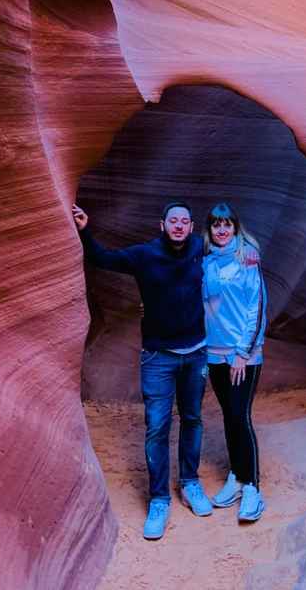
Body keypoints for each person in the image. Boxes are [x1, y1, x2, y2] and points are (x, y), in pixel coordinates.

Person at [72, 200, 213, 540]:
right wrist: (85, 229)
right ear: (161, 225)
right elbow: (102, 258)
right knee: (157, 427)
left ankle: (190, 483)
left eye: (184, 221)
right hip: (158, 357)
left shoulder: (199, 248)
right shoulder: (144, 255)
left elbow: (231, 249)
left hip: (196, 353)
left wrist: (249, 256)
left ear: (191, 228)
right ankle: (159, 499)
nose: (178, 225)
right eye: (172, 220)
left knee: (193, 419)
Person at [202, 202, 268, 522]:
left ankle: (252, 487)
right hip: (213, 354)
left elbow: (257, 307)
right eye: (217, 225)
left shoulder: (247, 258)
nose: (222, 230)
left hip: (242, 355)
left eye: (228, 224)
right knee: (229, 416)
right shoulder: (205, 262)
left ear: (236, 228)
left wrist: (242, 352)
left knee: (240, 416)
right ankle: (236, 476)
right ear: (210, 229)